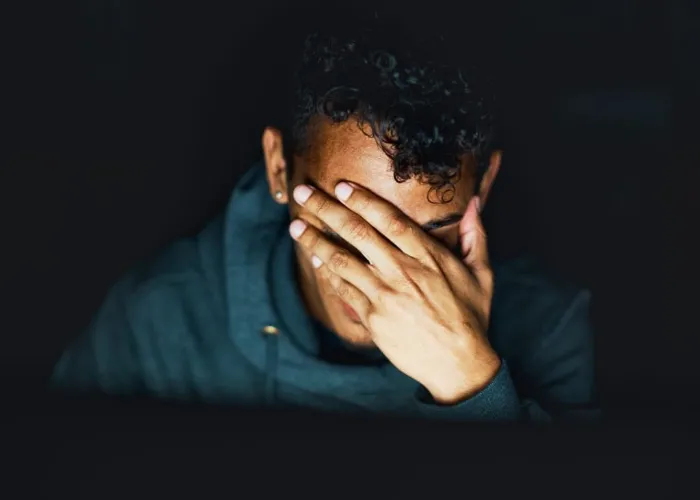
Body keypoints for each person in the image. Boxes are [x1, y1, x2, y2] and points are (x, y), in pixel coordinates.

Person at [50, 19, 597, 422]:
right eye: (347, 220)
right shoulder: (158, 321)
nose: (385, 273)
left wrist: (473, 384)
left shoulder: (548, 328)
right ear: (279, 168)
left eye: (430, 233)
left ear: (485, 185)